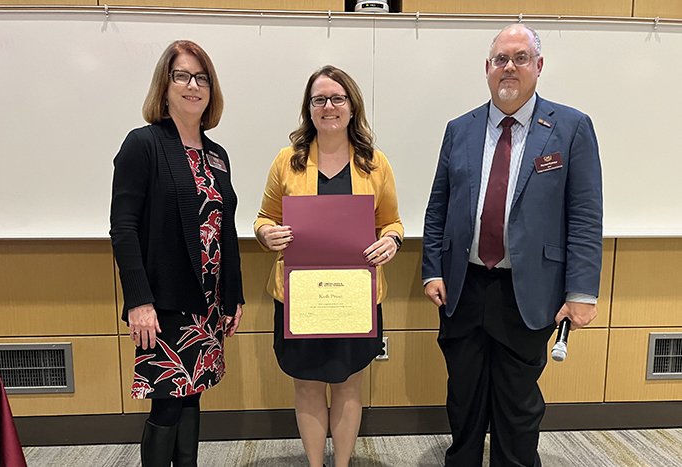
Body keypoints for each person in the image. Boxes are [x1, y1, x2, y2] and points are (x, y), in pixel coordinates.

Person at [422, 24, 603, 466]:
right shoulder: (459, 129)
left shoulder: (571, 128)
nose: (509, 67)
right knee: (462, 400)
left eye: (520, 58)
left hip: (527, 290)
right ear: (487, 68)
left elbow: (584, 217)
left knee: (517, 409)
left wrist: (581, 292)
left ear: (538, 67)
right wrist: (432, 269)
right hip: (463, 287)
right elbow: (438, 207)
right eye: (501, 59)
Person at [254, 65, 403, 467]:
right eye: (319, 99)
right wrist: (266, 235)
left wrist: (390, 241)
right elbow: (263, 218)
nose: (329, 106)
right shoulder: (288, 161)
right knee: (306, 385)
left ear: (352, 107)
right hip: (301, 295)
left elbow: (391, 222)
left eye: (337, 98)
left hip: (356, 295)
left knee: (348, 385)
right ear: (309, 109)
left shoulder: (375, 163)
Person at [109, 40, 244, 467]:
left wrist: (232, 296)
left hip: (205, 304)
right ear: (164, 86)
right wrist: (138, 301)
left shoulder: (217, 155)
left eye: (201, 77)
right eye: (181, 75)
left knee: (191, 396)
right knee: (167, 402)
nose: (192, 85)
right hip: (163, 303)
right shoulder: (143, 144)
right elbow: (123, 228)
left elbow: (227, 228)